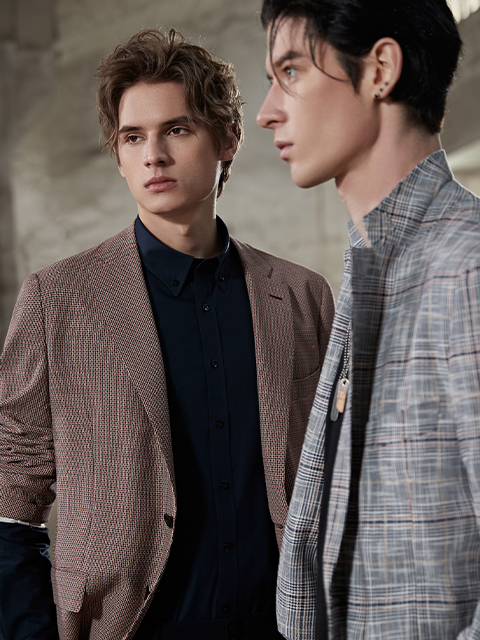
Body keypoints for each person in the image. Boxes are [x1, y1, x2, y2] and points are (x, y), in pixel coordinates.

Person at [0, 28, 335, 640]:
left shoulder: (301, 296)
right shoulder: (57, 299)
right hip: (131, 628)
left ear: (227, 139)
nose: (153, 154)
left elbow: (331, 473)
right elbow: (10, 489)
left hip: (283, 625)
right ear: (119, 154)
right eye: (133, 137)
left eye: (177, 129)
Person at [256, 1, 480, 639]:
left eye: (292, 72)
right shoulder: (369, 271)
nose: (267, 110)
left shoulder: (466, 267)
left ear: (380, 69)